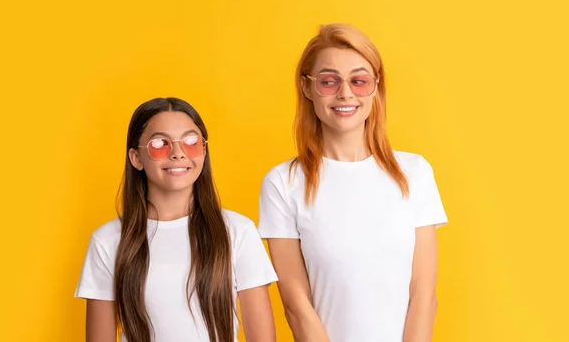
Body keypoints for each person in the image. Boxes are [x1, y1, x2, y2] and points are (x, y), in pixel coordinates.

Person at [258, 24, 448, 342]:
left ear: (376, 88)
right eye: (329, 81)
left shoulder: (414, 173)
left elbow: (423, 296)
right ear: (307, 88)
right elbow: (296, 304)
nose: (345, 93)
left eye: (359, 81)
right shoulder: (283, 183)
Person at [75, 97, 278, 342]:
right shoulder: (107, 241)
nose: (178, 153)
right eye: (160, 143)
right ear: (136, 158)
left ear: (204, 151)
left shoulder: (237, 232)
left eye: (191, 142)